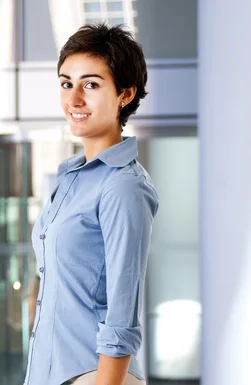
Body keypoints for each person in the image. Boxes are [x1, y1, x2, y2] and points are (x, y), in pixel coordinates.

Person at [24, 23, 159, 385]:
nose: (74, 99)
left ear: (125, 95)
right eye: (67, 83)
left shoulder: (123, 187)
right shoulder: (70, 177)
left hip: (94, 376)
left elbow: (123, 310)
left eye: (92, 85)